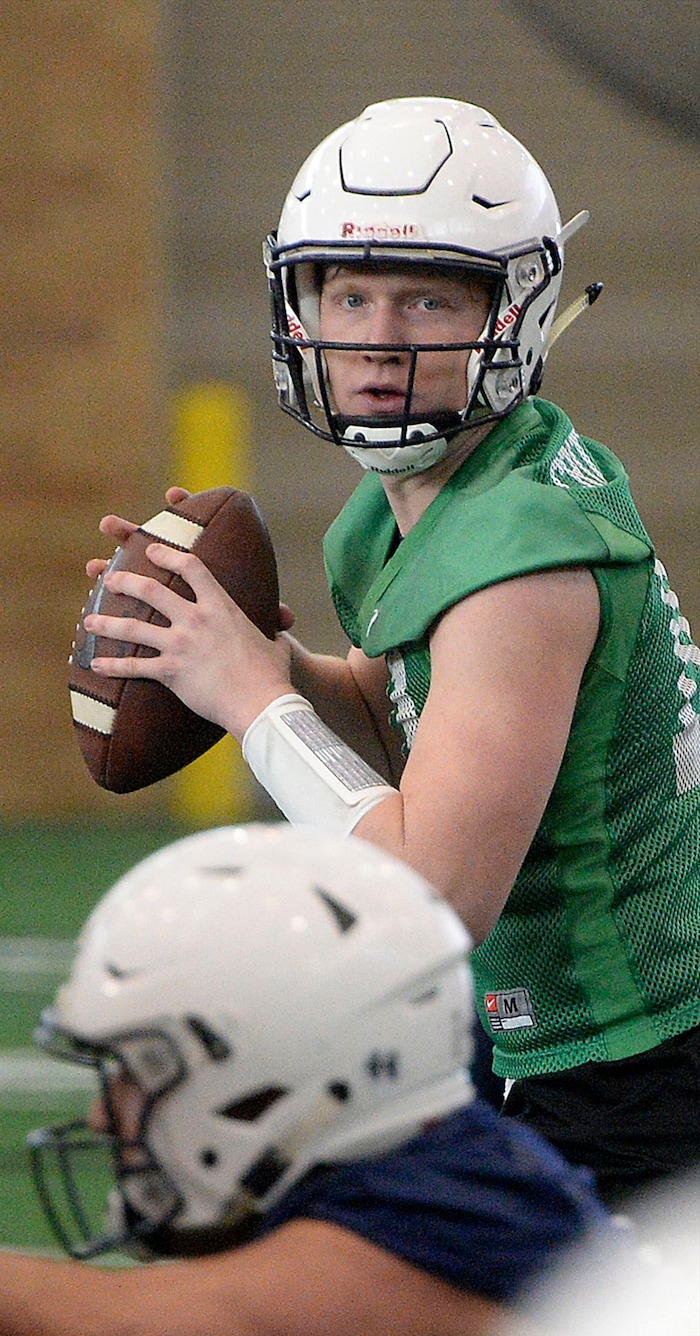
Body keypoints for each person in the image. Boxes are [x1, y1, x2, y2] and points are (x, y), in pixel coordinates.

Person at [80, 97, 700, 1209]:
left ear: (515, 309)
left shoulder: (518, 564)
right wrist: (245, 656)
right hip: (593, 1045)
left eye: (426, 295)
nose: (377, 335)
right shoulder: (430, 502)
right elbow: (412, 706)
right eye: (347, 292)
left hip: (643, 1062)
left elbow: (431, 899)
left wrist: (255, 701)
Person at [0, 824, 611, 1335]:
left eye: (137, 1076)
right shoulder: (448, 1172)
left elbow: (120, 1321)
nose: (103, 1116)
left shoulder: (404, 1250)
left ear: (267, 1081)